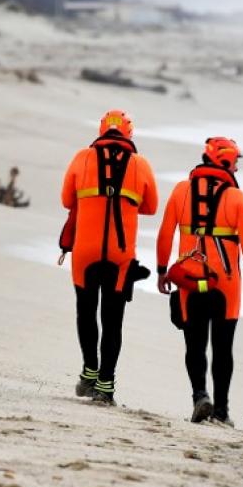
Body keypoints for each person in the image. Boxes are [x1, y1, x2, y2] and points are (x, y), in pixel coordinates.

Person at [156, 137, 243, 427]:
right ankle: (221, 412)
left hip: (189, 282)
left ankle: (199, 396)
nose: (237, 169)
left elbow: (165, 234)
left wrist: (160, 270)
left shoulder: (181, 191)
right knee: (222, 349)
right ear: (227, 162)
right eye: (236, 163)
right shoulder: (236, 198)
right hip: (225, 285)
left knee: (194, 345)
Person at [60, 109, 158, 404]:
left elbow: (67, 200)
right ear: (129, 134)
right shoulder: (140, 163)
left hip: (85, 251)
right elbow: (151, 207)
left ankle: (89, 372)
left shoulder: (82, 157)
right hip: (121, 255)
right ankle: (106, 385)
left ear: (101, 131)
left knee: (86, 312)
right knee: (113, 320)